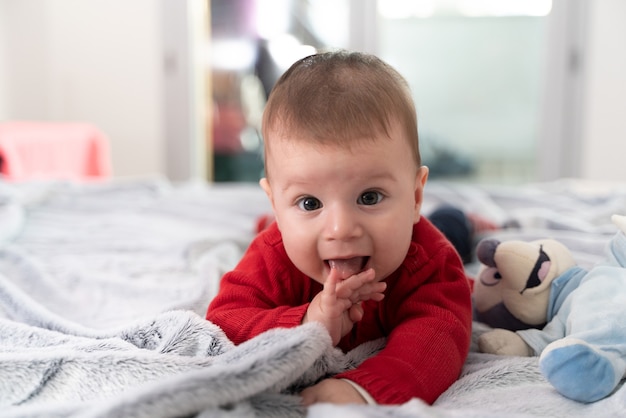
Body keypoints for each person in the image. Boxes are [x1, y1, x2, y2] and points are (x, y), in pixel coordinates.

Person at [206, 50, 473, 406]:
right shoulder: (273, 253)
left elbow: (439, 336)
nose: (341, 229)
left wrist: (364, 389)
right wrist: (306, 322)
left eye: (370, 197)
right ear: (275, 205)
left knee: (457, 232)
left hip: (435, 232)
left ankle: (464, 221)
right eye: (310, 204)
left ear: (414, 195)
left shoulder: (430, 261)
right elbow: (225, 319)